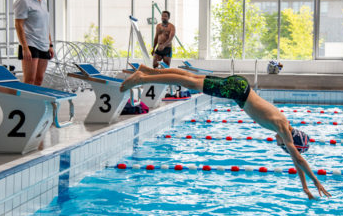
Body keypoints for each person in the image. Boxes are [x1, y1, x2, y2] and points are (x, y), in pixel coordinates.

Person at [120, 65, 331, 200]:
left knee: (191, 77)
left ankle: (148, 71)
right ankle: (141, 78)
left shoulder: (284, 125)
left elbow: (296, 160)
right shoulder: (283, 129)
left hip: (240, 87)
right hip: (237, 90)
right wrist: (316, 181)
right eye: (285, 148)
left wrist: (304, 187)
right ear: (289, 142)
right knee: (189, 82)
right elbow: (299, 160)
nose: (282, 147)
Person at [14, 0, 53, 86]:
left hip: (44, 45)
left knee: (39, 79)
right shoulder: (23, 0)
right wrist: (25, 47)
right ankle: (25, 105)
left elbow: (45, 24)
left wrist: (50, 44)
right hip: (31, 44)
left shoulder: (42, 1)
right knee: (29, 80)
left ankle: (35, 104)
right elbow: (18, 25)